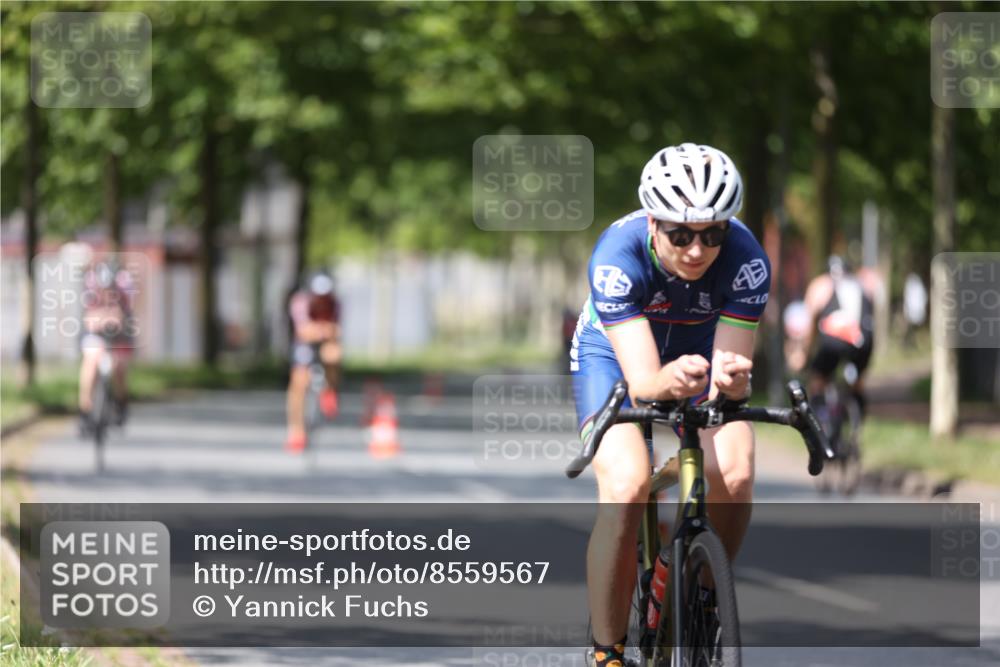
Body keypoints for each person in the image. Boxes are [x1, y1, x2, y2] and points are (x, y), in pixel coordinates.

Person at [570, 143, 769, 667]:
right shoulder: (617, 258)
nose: (697, 250)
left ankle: (702, 598)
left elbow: (733, 380)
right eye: (680, 234)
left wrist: (731, 382)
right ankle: (606, 652)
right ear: (653, 224)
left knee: (737, 468)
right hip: (616, 357)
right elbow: (643, 384)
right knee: (628, 484)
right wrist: (667, 380)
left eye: (712, 235)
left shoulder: (748, 261)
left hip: (698, 354)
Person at [794, 255, 876, 414]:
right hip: (864, 341)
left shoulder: (820, 284)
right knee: (857, 382)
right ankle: (857, 422)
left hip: (833, 341)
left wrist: (805, 353)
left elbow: (809, 324)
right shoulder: (862, 285)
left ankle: (817, 420)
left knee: (818, 378)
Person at [285, 270, 342, 453]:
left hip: (325, 341)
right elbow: (302, 331)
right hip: (304, 344)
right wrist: (321, 330)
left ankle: (330, 390)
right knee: (299, 382)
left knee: (333, 354)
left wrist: (323, 331)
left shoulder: (335, 303)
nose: (322, 299)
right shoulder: (300, 302)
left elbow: (336, 330)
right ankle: (296, 430)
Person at [78, 260, 136, 434]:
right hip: (96, 335)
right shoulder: (91, 289)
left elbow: (124, 317)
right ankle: (85, 411)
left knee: (119, 367)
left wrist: (113, 319)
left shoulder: (124, 288)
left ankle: (121, 404)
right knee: (90, 364)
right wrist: (104, 318)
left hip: (119, 335)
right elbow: (89, 320)